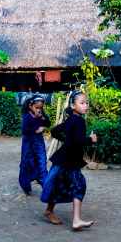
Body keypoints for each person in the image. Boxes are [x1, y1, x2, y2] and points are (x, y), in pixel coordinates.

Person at [40, 91, 97, 229]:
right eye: (82, 103)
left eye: (87, 103)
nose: (85, 106)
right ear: (72, 105)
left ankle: (49, 211)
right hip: (68, 160)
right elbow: (79, 141)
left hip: (65, 159)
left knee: (58, 185)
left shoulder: (70, 119)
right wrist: (90, 140)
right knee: (80, 185)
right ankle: (76, 220)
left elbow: (54, 132)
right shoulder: (79, 120)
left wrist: (66, 141)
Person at [19, 95, 51, 193]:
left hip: (39, 144)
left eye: (40, 108)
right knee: (31, 164)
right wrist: (36, 131)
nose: (38, 110)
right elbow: (24, 131)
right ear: (30, 106)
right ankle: (27, 184)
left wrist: (42, 118)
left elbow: (48, 124)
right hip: (28, 145)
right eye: (36, 108)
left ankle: (45, 186)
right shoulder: (27, 117)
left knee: (42, 163)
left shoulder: (41, 114)